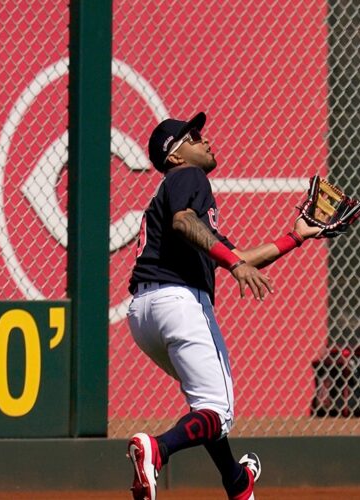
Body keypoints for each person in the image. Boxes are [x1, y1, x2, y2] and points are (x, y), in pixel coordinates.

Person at [126, 112, 321, 500]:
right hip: (179, 301)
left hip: (144, 312)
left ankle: (236, 481)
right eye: (193, 136)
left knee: (206, 406)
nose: (205, 139)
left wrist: (295, 238)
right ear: (176, 156)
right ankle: (158, 450)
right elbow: (184, 223)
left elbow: (241, 255)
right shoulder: (189, 178)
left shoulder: (183, 193)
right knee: (219, 410)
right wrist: (234, 266)